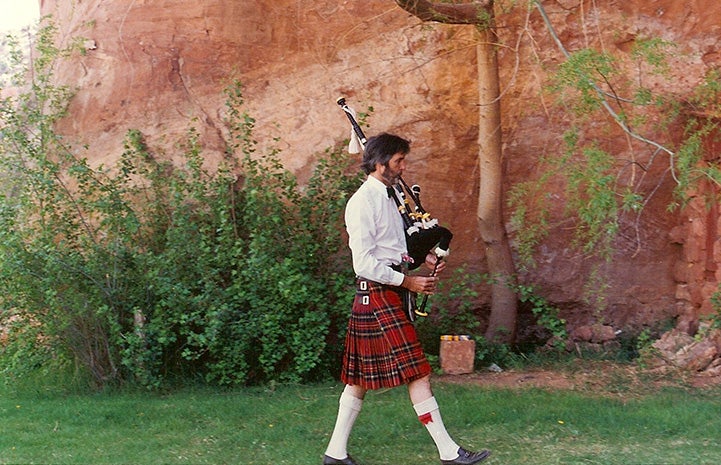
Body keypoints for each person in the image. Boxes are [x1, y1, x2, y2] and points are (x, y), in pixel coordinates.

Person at [322, 133, 491, 465]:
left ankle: (335, 454)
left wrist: (422, 261)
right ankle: (449, 452)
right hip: (376, 295)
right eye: (399, 161)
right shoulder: (361, 203)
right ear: (381, 162)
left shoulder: (390, 198)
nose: (403, 167)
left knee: (359, 382)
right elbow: (364, 264)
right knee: (418, 372)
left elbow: (395, 253)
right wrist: (408, 282)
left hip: (389, 293)